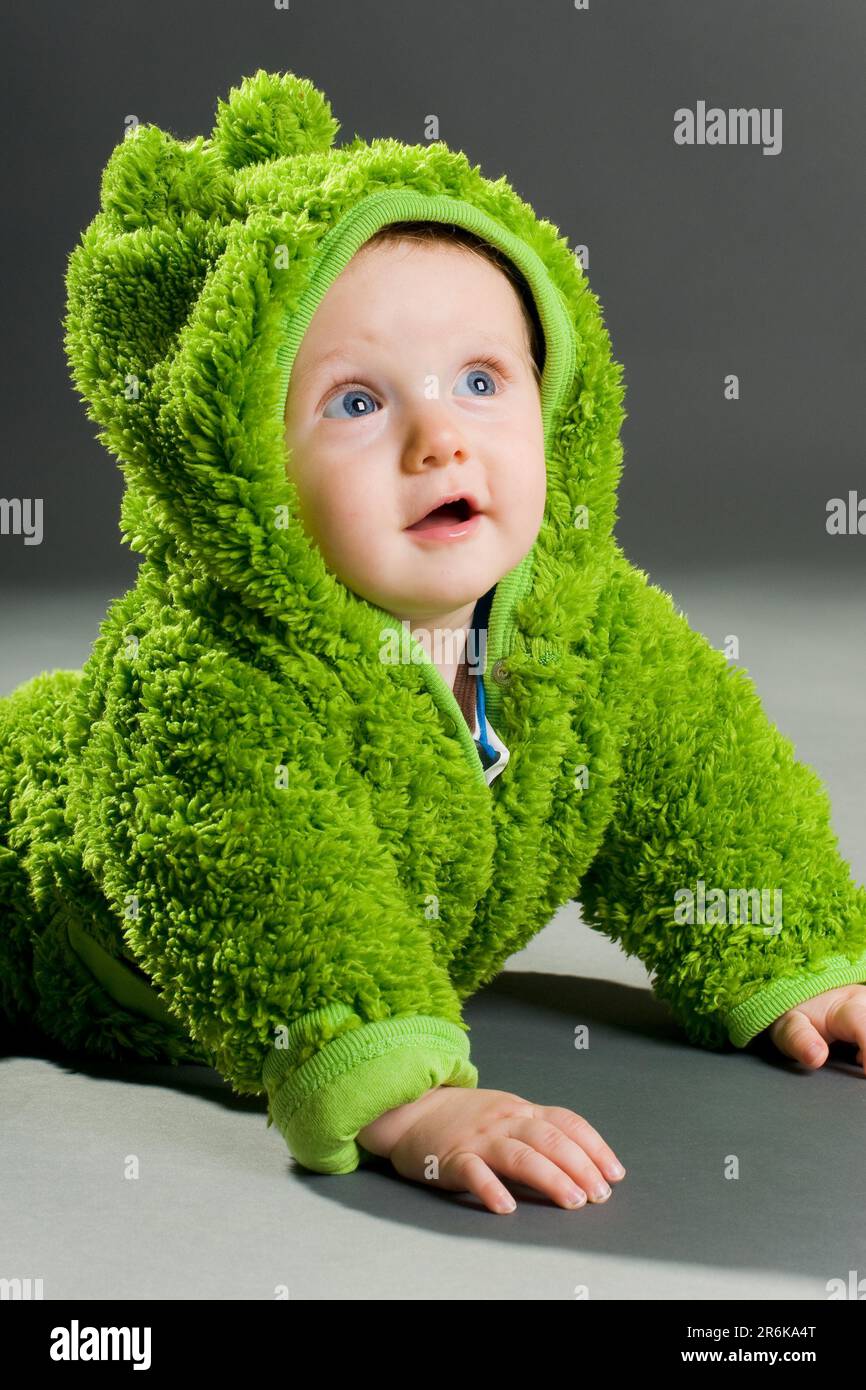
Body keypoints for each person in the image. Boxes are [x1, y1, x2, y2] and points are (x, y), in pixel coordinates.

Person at [2, 70, 865, 1218]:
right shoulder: (203, 685)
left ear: (555, 399)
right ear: (243, 465)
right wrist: (404, 1098)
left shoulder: (583, 625)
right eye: (356, 403)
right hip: (46, 902)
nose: (439, 440)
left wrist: (792, 955)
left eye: (478, 379)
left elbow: (700, 791)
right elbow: (268, 884)